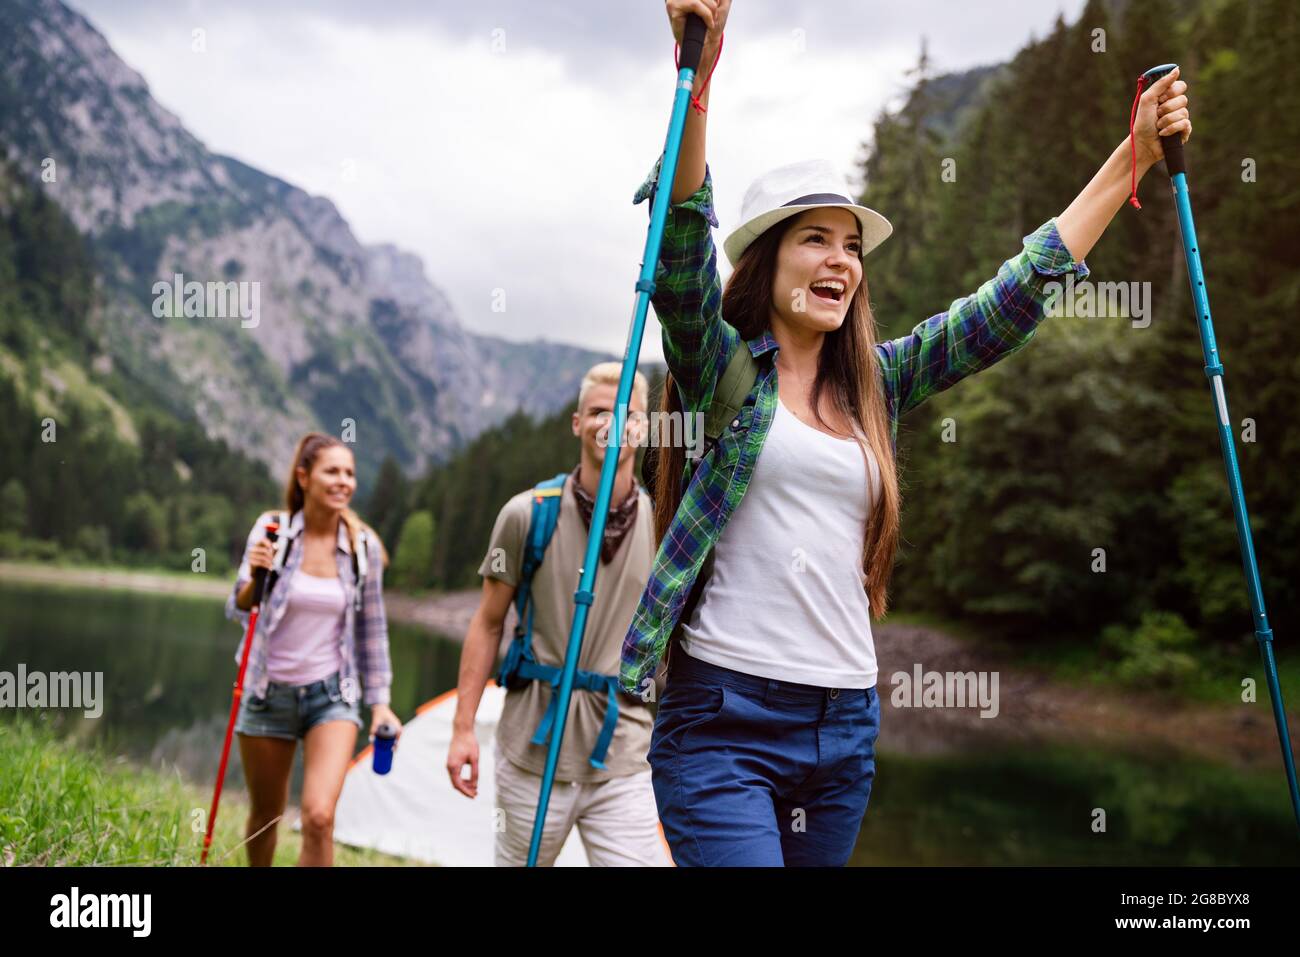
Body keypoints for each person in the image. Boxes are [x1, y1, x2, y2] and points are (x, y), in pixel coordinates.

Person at [621, 0, 1194, 866]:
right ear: (764, 263)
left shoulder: (875, 387)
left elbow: (1006, 304)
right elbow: (677, 253)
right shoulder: (722, 373)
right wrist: (698, 74)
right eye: (815, 240)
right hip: (723, 720)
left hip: (843, 726)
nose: (841, 262)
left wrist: (1133, 157)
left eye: (852, 246)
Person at [447, 362, 670, 866]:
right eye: (597, 411)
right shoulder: (527, 514)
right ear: (576, 423)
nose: (611, 424)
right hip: (532, 748)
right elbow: (487, 623)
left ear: (646, 427)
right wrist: (463, 729)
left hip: (622, 753)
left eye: (627, 414)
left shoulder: (664, 527)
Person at [226, 431, 399, 866]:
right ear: (304, 477)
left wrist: (380, 705)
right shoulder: (273, 532)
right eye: (332, 471)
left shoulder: (364, 548)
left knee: (320, 816)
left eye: (350, 473)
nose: (344, 481)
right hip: (268, 692)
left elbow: (373, 631)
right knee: (267, 815)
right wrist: (257, 575)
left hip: (332, 695)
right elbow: (239, 605)